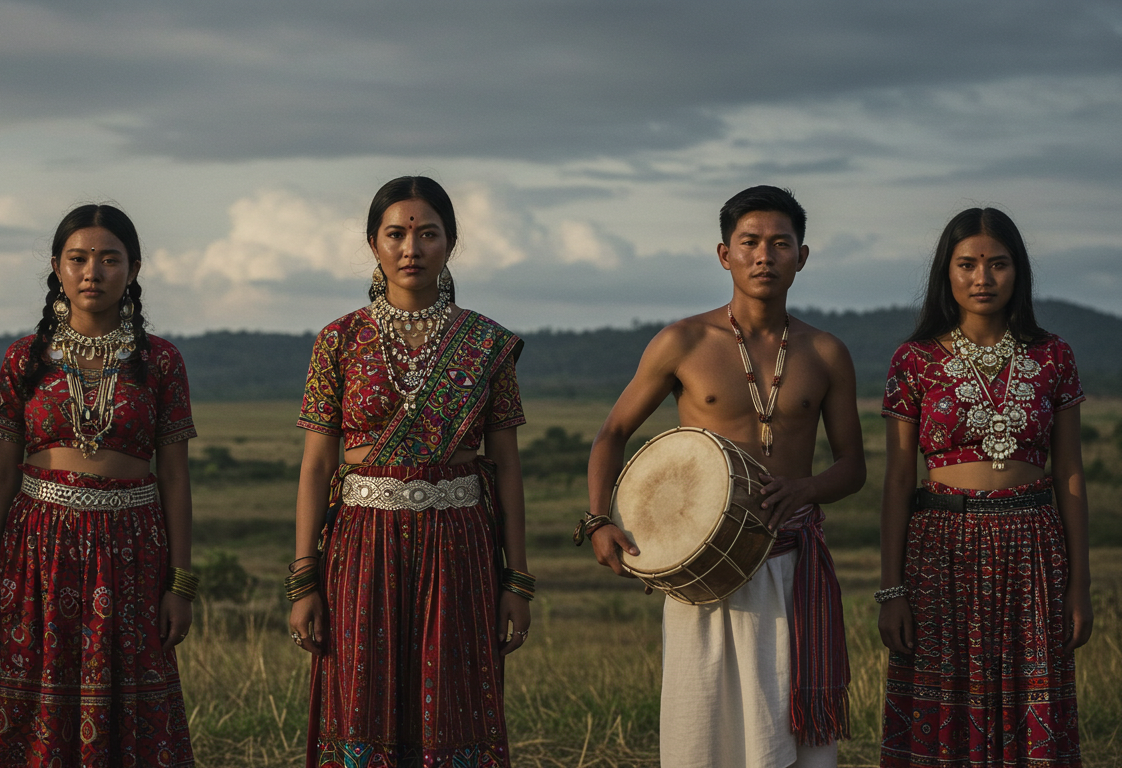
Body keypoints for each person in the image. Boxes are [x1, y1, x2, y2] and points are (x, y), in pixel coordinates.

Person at [583, 186, 864, 768]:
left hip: (791, 562)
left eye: (780, 243)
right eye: (751, 242)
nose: (765, 256)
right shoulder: (683, 342)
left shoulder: (826, 352)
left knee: (786, 737)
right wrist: (598, 520)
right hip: (702, 571)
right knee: (701, 732)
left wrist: (806, 488)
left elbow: (852, 466)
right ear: (723, 254)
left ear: (802, 257)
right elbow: (612, 434)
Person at [288, 176, 532, 768]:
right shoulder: (339, 341)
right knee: (360, 703)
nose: (411, 248)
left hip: (461, 545)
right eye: (395, 234)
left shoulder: (485, 342)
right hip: (361, 545)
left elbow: (506, 468)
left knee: (455, 705)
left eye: (427, 234)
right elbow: (318, 464)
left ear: (451, 243)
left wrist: (517, 581)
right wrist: (303, 580)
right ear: (373, 243)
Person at [0, 204, 198, 767]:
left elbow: (174, 474)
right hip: (38, 552)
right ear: (56, 266)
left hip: (133, 551)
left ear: (134, 268)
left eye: (108, 259)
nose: (92, 272)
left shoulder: (160, 360)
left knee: (129, 701)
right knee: (38, 699)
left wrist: (181, 583)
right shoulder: (24, 358)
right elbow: (1, 470)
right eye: (78, 259)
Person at [877, 208, 1091, 767]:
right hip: (939, 548)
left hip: (1032, 548)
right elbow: (899, 479)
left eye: (998, 264)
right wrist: (891, 590)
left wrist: (1080, 585)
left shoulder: (1053, 356)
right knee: (941, 705)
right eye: (967, 264)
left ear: (1018, 271)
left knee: (1031, 702)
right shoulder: (915, 361)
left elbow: (1070, 472)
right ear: (946, 274)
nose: (982, 278)